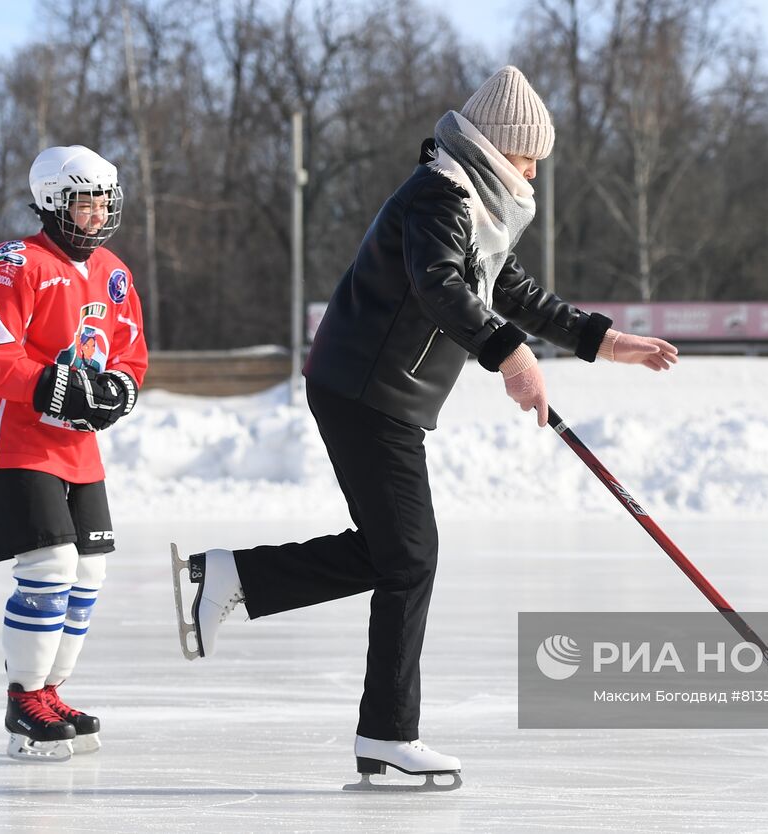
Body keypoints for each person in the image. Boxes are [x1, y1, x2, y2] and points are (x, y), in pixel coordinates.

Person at [171, 66, 676, 786]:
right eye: (527, 156)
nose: (533, 170)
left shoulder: (475, 205)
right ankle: (384, 731)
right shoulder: (439, 197)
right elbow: (439, 287)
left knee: (395, 554)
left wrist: (603, 341)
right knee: (408, 557)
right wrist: (511, 357)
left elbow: (512, 290)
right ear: (496, 147)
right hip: (364, 392)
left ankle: (237, 579)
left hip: (380, 396)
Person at [0, 145, 147, 761]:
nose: (96, 216)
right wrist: (53, 384)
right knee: (49, 568)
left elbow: (127, 351)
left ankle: (51, 690)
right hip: (14, 441)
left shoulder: (114, 270)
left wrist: (119, 386)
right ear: (50, 203)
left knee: (88, 572)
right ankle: (24, 698)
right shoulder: (13, 263)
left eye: (104, 203)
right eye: (84, 203)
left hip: (76, 448)